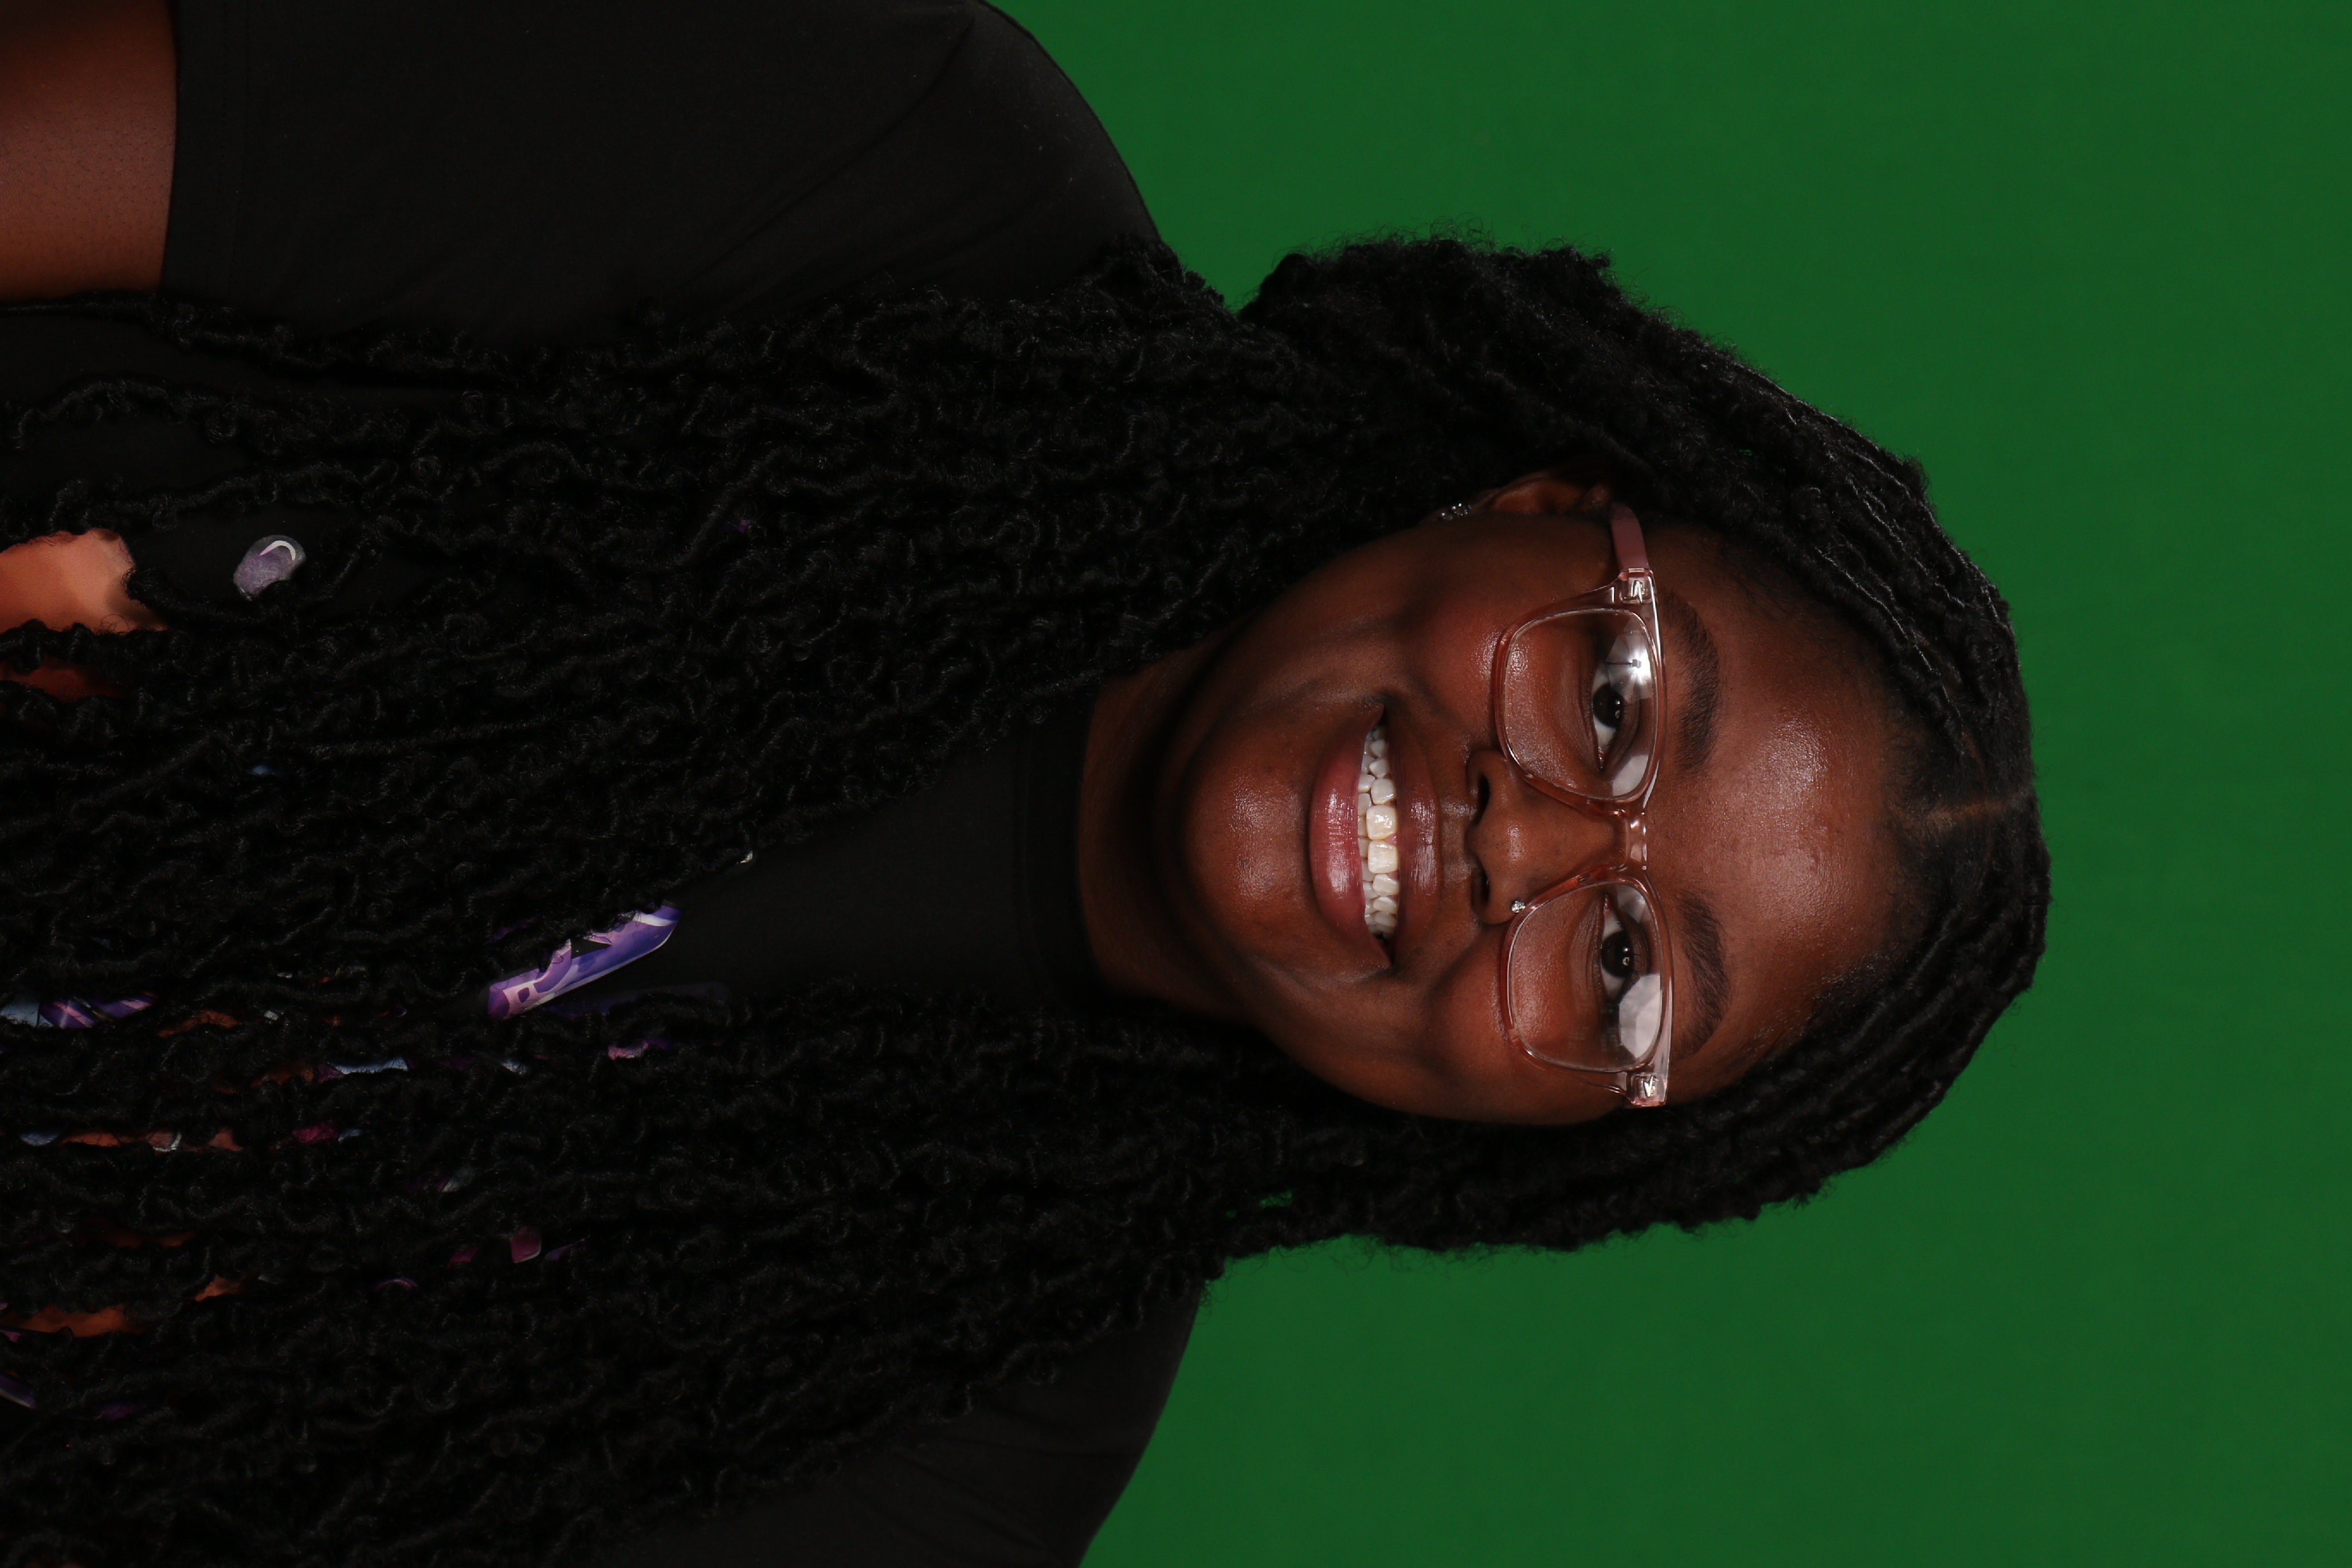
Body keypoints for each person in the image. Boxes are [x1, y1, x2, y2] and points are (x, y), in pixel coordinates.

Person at [0, 2, 2049, 1565]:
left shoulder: (945, 1456)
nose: (1520, 840)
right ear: (1535, 500)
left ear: (1552, 1135)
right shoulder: (885, 160)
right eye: (1612, 696)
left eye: (1623, 970)